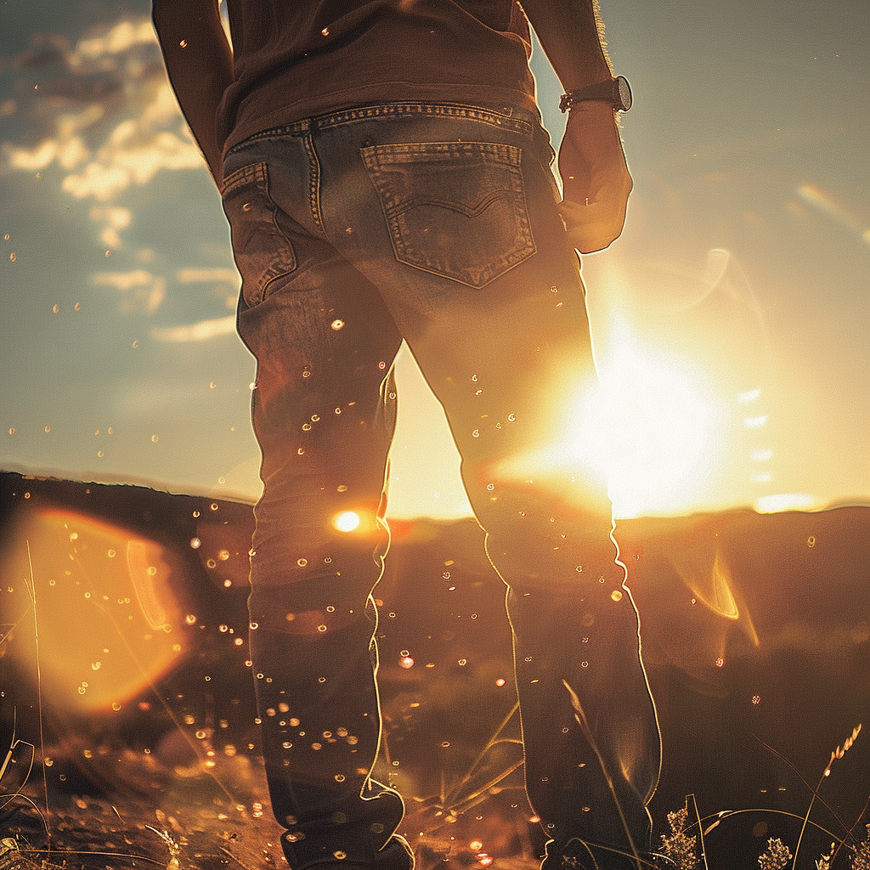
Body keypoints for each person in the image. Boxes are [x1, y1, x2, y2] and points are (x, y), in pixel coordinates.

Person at [152, 2, 661, 868]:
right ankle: (601, 850)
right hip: (445, 110)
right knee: (550, 510)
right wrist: (591, 99)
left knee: (308, 529)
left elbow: (180, 10)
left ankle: (335, 852)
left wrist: (240, 156)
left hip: (267, 149)